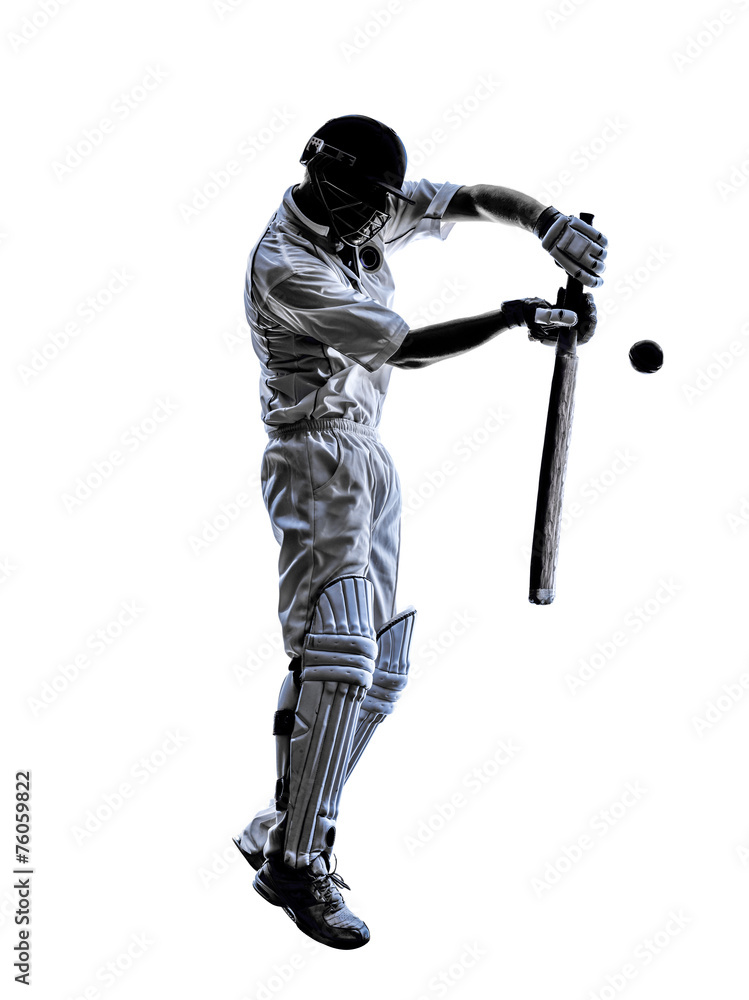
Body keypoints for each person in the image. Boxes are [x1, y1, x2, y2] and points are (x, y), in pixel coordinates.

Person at [234, 114, 606, 950]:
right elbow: (401, 348)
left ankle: (284, 823)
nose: (380, 218)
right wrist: (515, 319)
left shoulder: (359, 214)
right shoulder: (286, 263)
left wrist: (545, 223)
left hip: (367, 452)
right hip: (311, 453)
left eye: (384, 203)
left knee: (381, 669)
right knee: (338, 655)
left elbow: (465, 199)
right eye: (367, 201)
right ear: (325, 178)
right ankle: (295, 862)